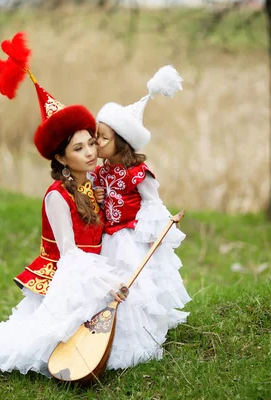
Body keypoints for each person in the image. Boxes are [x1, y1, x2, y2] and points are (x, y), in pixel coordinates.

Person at [0, 32, 126, 376]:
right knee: (55, 342)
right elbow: (70, 255)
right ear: (61, 158)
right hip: (67, 277)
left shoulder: (92, 183)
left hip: (94, 271)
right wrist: (104, 285)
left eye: (90, 144)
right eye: (78, 149)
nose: (90, 153)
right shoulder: (57, 196)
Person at [90, 65, 192, 369]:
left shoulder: (138, 174)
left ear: (122, 141)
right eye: (95, 136)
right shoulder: (99, 172)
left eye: (102, 138)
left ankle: (140, 336)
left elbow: (152, 204)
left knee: (136, 289)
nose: (96, 143)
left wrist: (153, 231)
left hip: (130, 238)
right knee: (109, 287)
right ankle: (107, 334)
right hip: (107, 238)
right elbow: (98, 201)